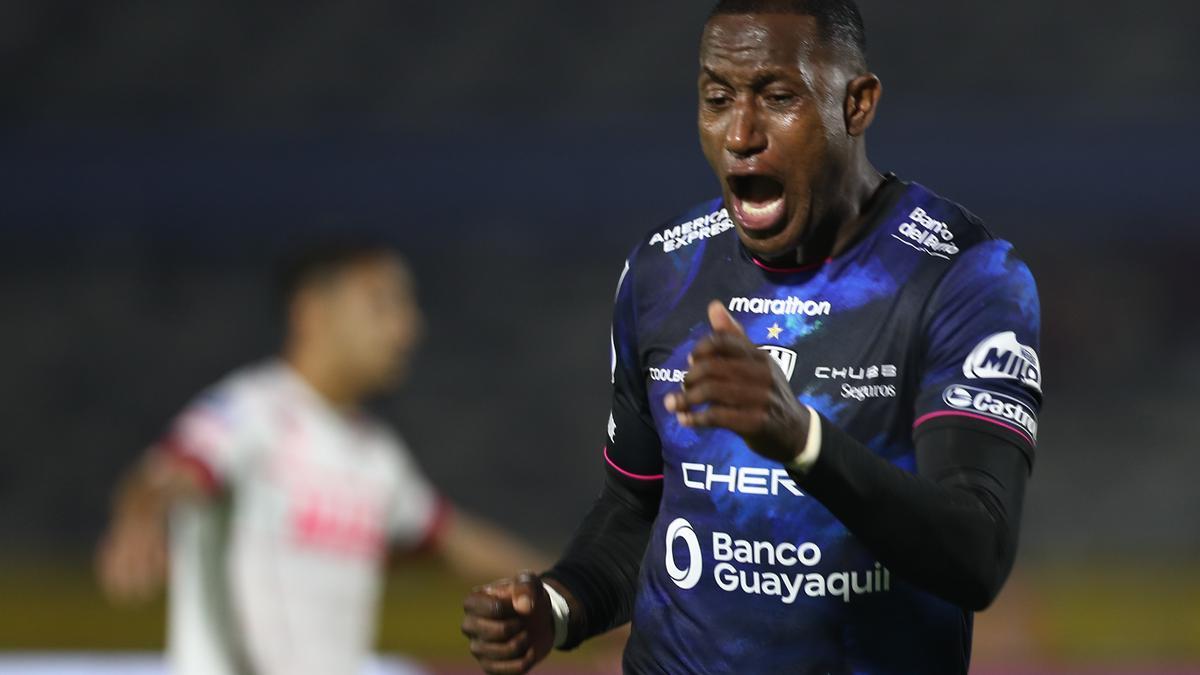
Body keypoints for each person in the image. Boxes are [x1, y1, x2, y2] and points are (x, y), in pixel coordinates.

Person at [460, 1, 1042, 673]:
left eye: (777, 96)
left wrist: (803, 441)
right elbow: (635, 505)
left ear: (856, 105)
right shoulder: (663, 271)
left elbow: (977, 553)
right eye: (716, 97)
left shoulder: (963, 278)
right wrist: (562, 601)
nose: (740, 133)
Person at [98, 241, 545, 675]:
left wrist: (569, 593)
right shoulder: (249, 413)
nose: (408, 328)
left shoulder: (375, 455)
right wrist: (140, 514)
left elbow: (454, 542)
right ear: (311, 311)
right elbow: (170, 473)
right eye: (382, 304)